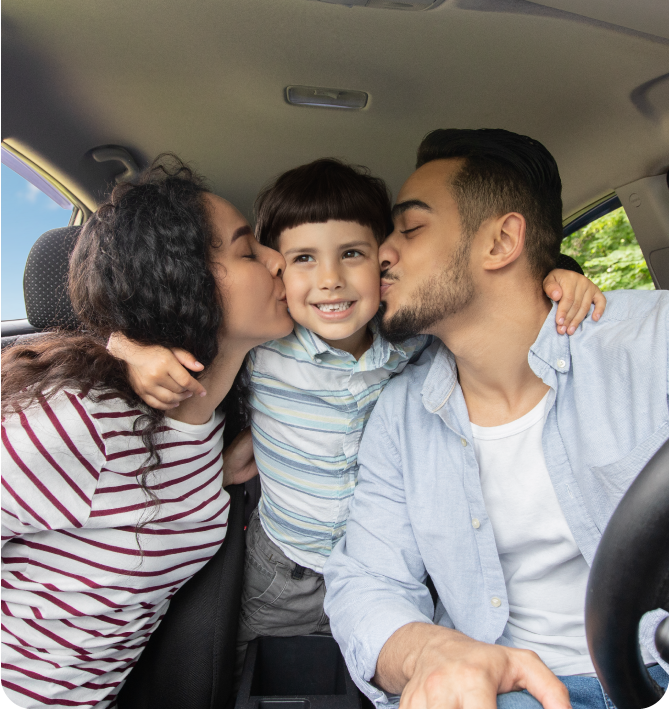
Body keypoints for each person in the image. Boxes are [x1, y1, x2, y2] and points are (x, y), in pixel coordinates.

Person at [108, 156, 606, 673]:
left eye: (351, 253)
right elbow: (154, 323)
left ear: (384, 261)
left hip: (399, 573)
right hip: (285, 568)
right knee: (256, 679)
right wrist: (129, 349)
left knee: (378, 679)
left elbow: (492, 314)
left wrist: (561, 276)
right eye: (302, 258)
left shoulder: (416, 343)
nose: (330, 280)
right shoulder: (266, 344)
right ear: (276, 270)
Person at [322, 129, 669, 709]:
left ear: (501, 241)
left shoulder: (652, 342)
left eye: (409, 229)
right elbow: (367, 578)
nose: (381, 252)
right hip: (505, 693)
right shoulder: (399, 417)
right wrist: (428, 652)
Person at [0, 156, 293, 709]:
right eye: (247, 250)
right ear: (183, 281)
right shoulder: (81, 420)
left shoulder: (214, 423)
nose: (280, 261)